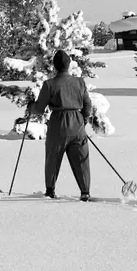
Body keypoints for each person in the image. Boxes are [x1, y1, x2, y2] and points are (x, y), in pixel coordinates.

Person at [29, 49, 93, 200]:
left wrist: (32, 106)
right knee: (81, 159)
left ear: (55, 66)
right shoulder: (79, 82)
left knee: (53, 157)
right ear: (69, 65)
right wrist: (81, 121)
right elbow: (87, 105)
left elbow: (39, 109)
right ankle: (85, 192)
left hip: (58, 123)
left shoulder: (49, 84)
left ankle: (50, 190)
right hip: (77, 123)